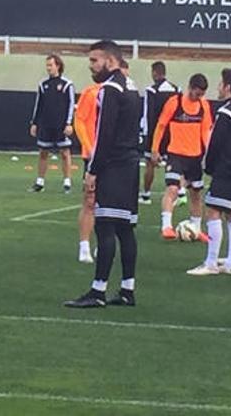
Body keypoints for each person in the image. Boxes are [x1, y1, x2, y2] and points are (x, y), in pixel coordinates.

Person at [65, 40, 140, 308]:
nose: (91, 67)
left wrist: (93, 171)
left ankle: (98, 291)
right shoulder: (131, 86)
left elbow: (104, 135)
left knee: (106, 226)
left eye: (95, 61)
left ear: (110, 60)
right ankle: (127, 289)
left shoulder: (109, 89)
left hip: (114, 165)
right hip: (131, 163)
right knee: (126, 229)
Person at [187, 69, 231, 276]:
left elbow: (216, 143)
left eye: (221, 84)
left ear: (228, 87)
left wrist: (210, 167)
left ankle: (211, 262)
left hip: (225, 170)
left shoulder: (225, 112)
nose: (218, 88)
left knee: (213, 211)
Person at [150, 74, 212, 241]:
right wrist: (155, 149)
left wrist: (208, 154)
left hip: (195, 156)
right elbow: (161, 125)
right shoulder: (174, 102)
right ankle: (166, 226)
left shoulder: (203, 105)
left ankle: (196, 229)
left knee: (196, 193)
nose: (198, 97)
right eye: (196, 93)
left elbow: (206, 131)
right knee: (172, 189)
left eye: (201, 94)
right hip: (176, 154)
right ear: (190, 87)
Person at [28, 54, 75, 193]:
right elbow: (39, 105)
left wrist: (69, 123)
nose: (48, 68)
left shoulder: (67, 84)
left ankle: (67, 183)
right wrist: (34, 123)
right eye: (47, 65)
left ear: (58, 66)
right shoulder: (43, 84)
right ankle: (40, 183)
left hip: (61, 125)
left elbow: (71, 104)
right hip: (46, 124)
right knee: (43, 152)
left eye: (50, 65)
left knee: (65, 153)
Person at [139, 61, 180, 205]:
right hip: (172, 133)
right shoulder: (176, 89)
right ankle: (178, 194)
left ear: (155, 73)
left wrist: (145, 133)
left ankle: (146, 195)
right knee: (173, 163)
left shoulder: (151, 90)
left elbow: (147, 113)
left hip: (156, 131)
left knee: (150, 163)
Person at [74, 80, 101, 264]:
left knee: (109, 203)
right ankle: (84, 246)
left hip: (116, 158)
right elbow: (80, 120)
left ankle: (103, 244)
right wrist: (88, 146)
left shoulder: (124, 92)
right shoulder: (91, 92)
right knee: (90, 200)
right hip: (93, 156)